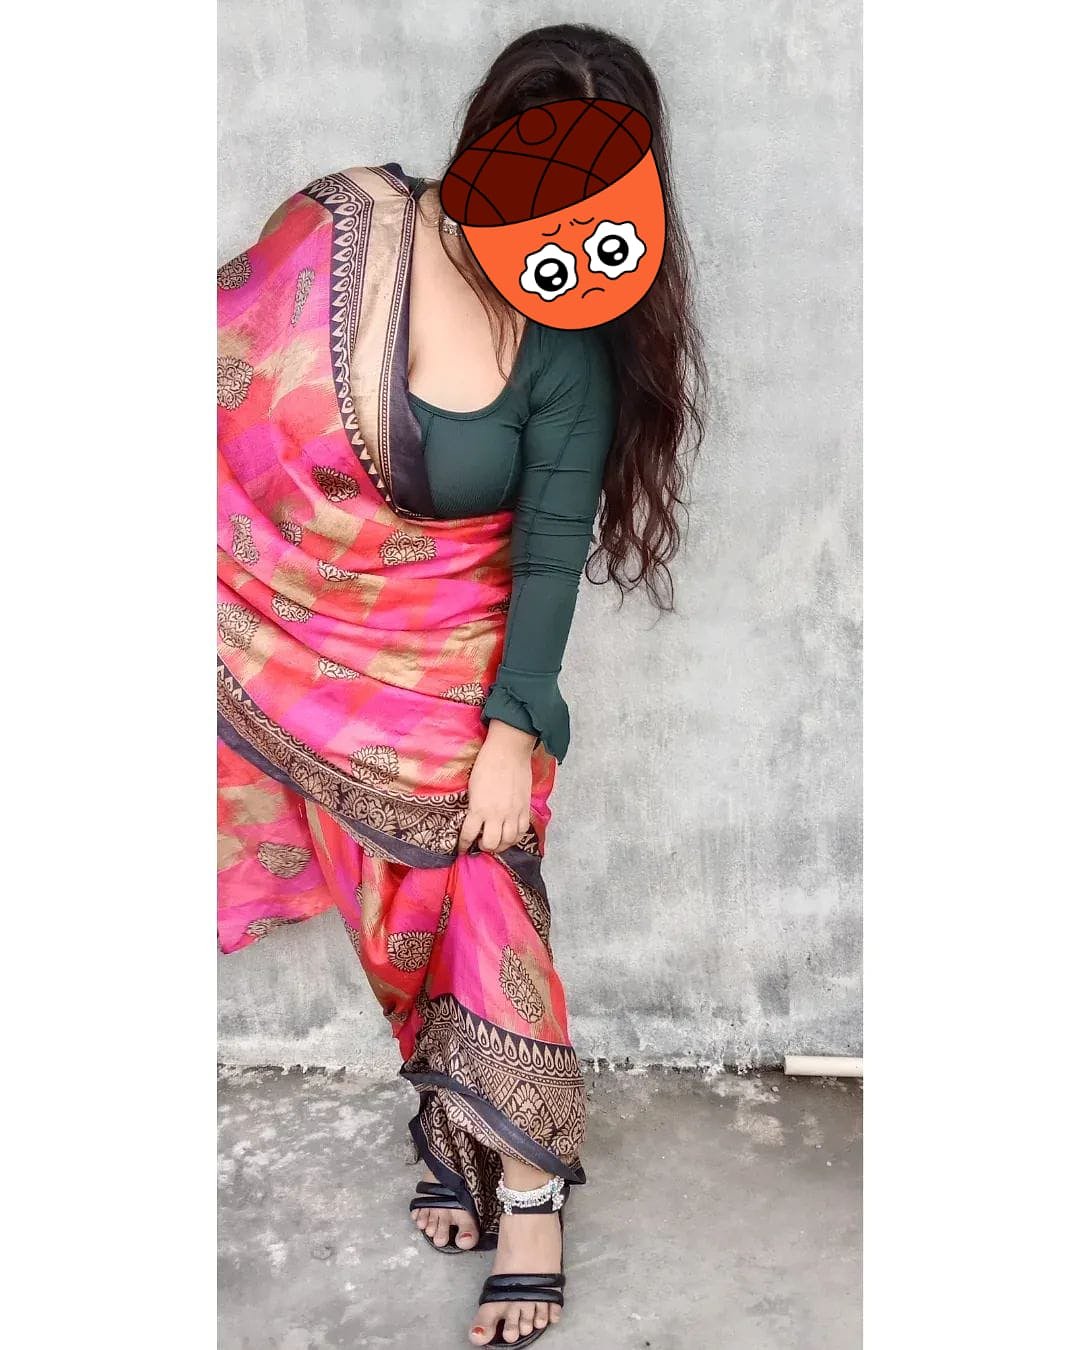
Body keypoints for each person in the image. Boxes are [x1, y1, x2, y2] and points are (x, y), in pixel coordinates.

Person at [217, 22, 705, 1348]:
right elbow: (225, 380)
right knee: (394, 910)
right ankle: (450, 1111)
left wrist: (509, 728)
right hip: (308, 638)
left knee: (481, 871)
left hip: (468, 654)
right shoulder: (341, 235)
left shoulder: (567, 337)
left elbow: (550, 547)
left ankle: (532, 1190)